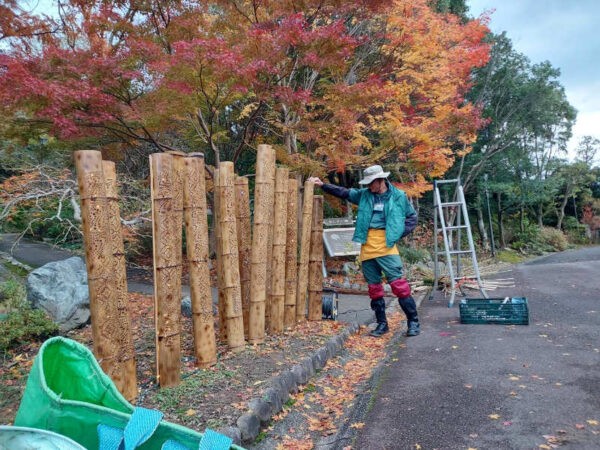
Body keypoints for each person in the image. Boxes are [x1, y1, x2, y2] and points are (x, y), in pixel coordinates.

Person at [308, 165, 420, 337]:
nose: (369, 186)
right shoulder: (364, 195)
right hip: (367, 244)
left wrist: (398, 233)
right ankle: (382, 324)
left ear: (380, 180)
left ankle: (413, 322)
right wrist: (323, 185)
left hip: (387, 245)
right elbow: (344, 192)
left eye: (371, 183)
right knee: (374, 288)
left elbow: (412, 217)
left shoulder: (398, 196)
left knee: (398, 285)